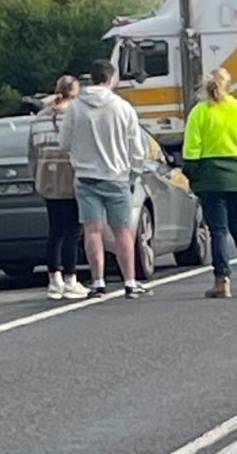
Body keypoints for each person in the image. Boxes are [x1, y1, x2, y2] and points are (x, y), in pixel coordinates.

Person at [59, 59, 148, 299]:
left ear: (91, 78)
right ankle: (129, 281)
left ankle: (98, 282)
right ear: (111, 79)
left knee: (92, 230)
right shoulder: (122, 107)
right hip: (116, 176)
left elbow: (64, 143)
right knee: (122, 231)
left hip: (86, 177)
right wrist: (135, 172)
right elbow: (136, 146)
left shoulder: (76, 108)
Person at [184, 68, 237, 299]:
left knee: (218, 230)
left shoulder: (200, 112)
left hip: (210, 177)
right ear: (230, 85)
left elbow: (191, 150)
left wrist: (192, 175)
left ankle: (222, 281)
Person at [28, 75, 88, 300]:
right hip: (71, 178)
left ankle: (54, 280)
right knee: (72, 231)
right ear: (75, 93)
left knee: (55, 232)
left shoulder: (39, 119)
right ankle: (71, 278)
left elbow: (31, 152)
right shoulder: (75, 116)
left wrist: (37, 176)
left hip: (47, 180)